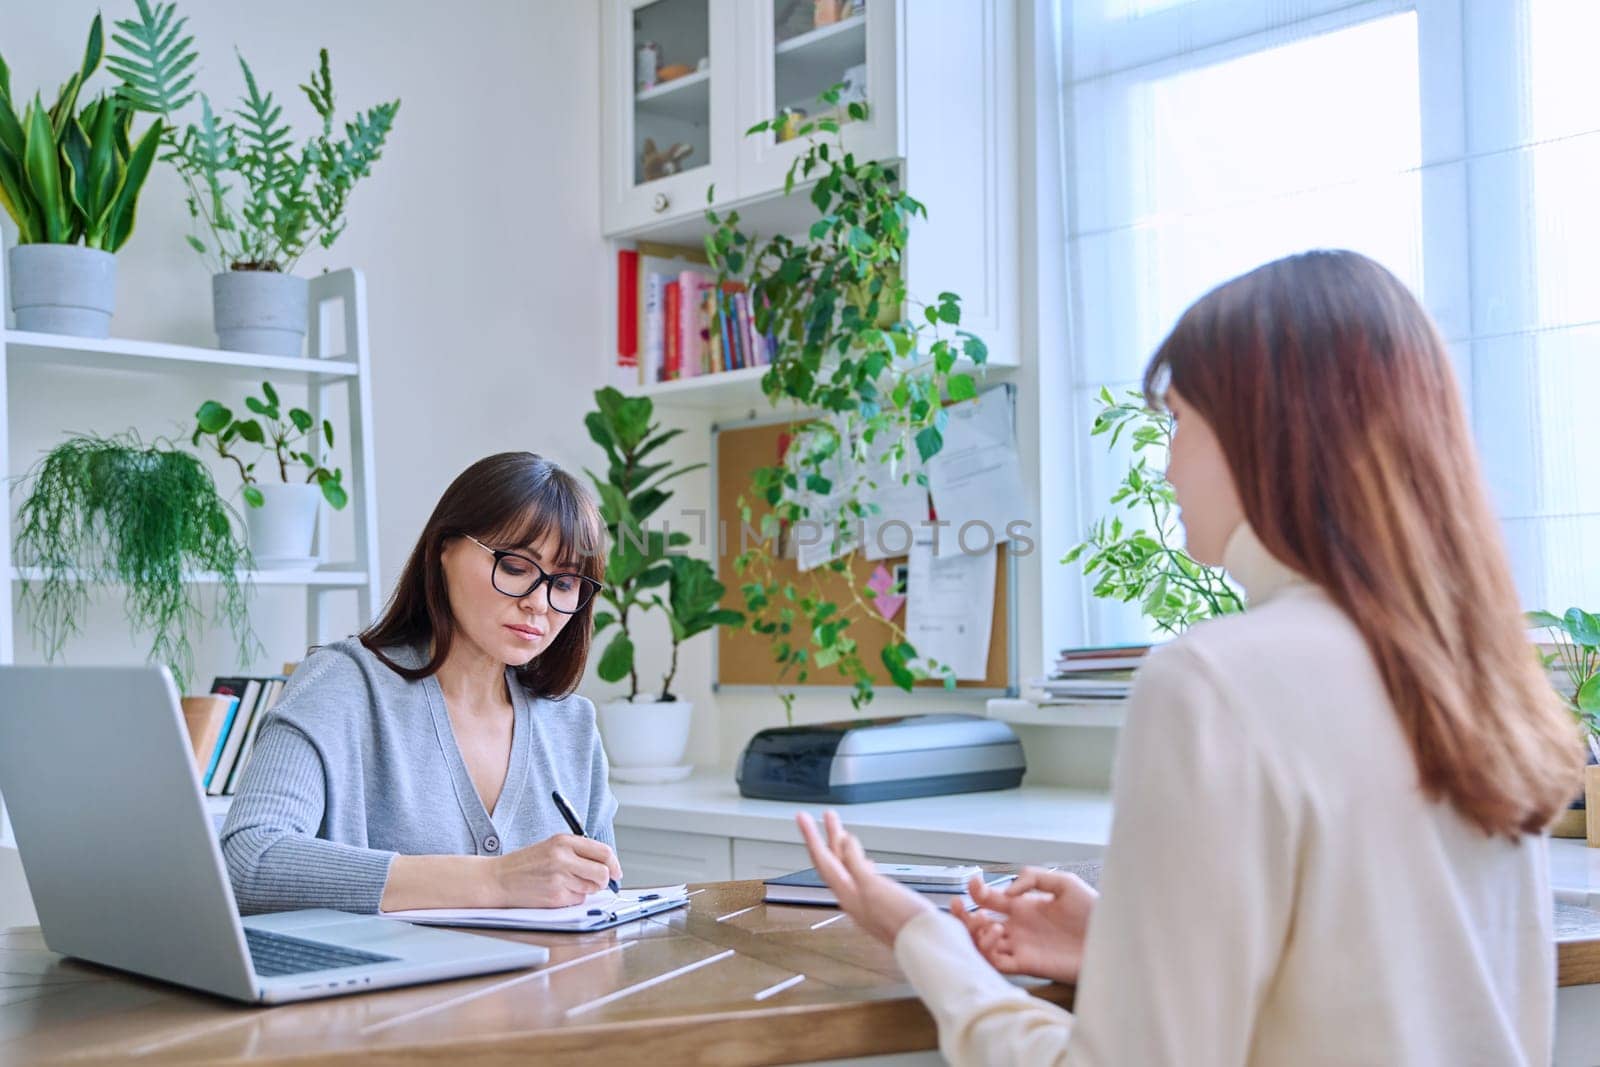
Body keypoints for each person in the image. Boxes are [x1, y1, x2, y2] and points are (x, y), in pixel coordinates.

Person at [798, 250, 1581, 1065]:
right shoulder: (1477, 679)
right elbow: (1389, 989)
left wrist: (928, 941)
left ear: (1262, 433)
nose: (1166, 465)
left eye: (1177, 422)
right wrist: (1123, 941)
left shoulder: (1216, 682)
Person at [222, 451, 623, 915]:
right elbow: (249, 863)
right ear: (443, 551)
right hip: (378, 988)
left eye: (566, 582)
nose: (539, 602)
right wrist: (494, 880)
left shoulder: (572, 725)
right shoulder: (343, 686)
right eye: (515, 567)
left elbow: (601, 907)